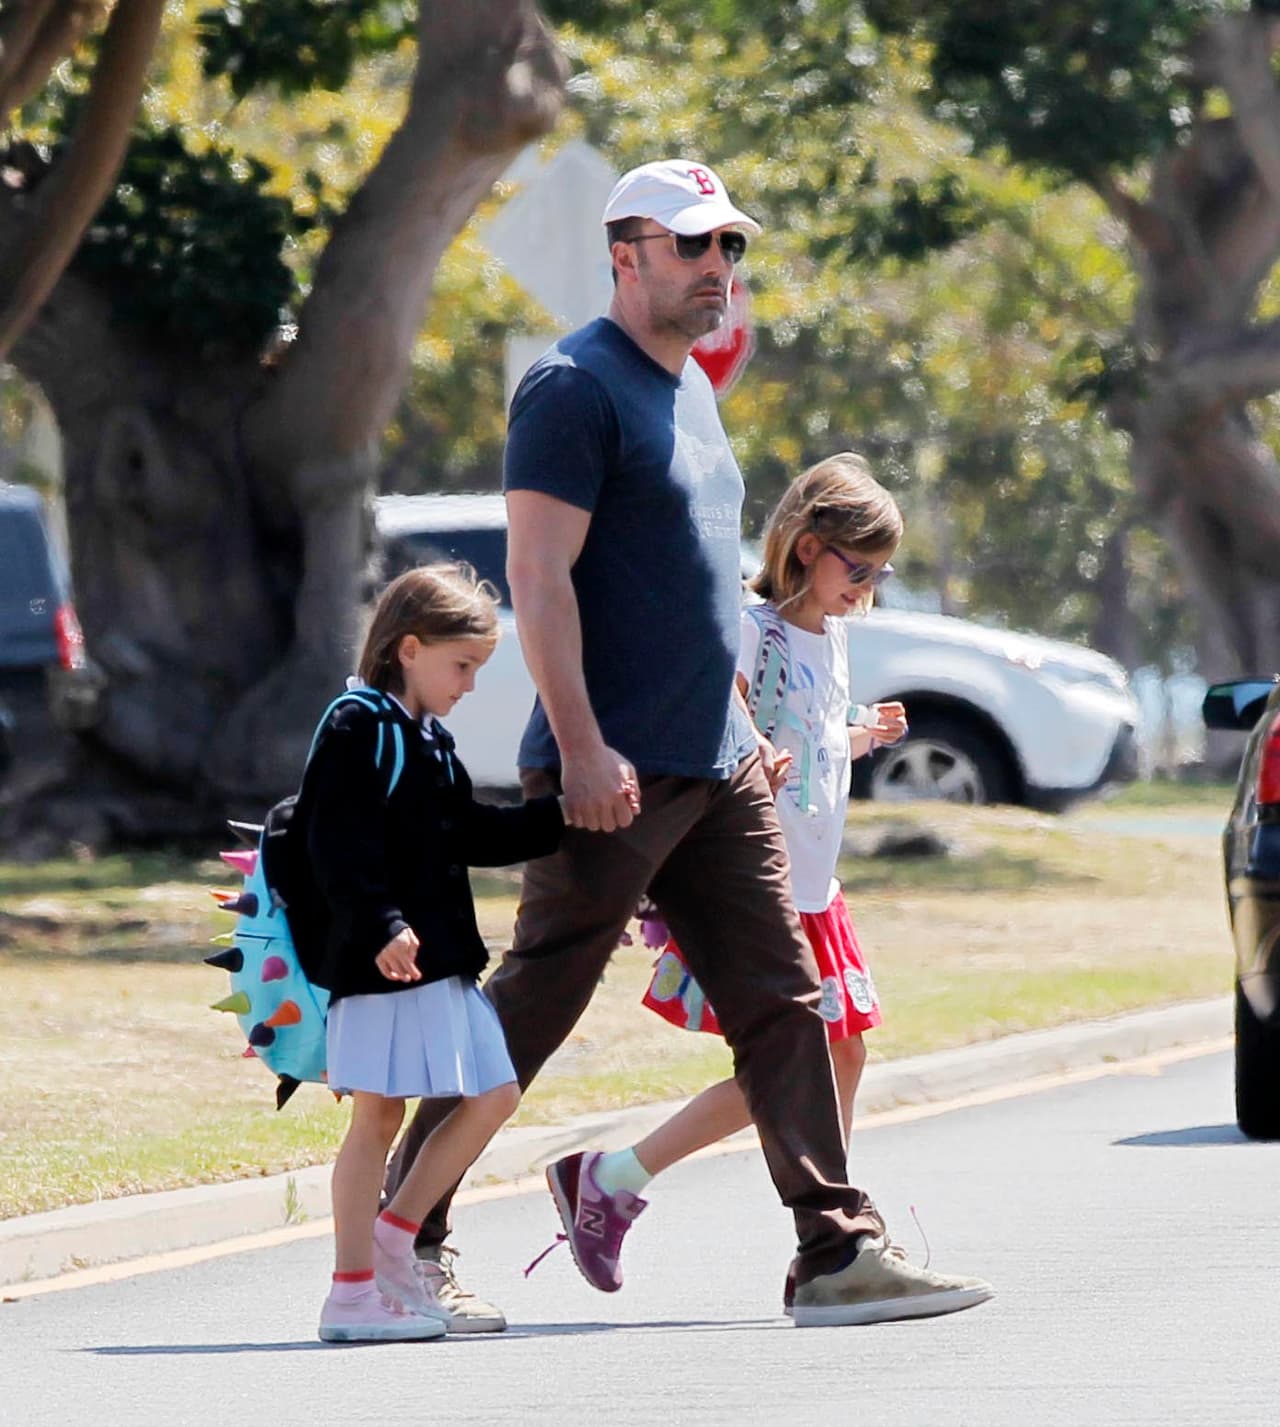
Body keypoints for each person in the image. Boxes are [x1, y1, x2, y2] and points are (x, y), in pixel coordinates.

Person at [385, 159, 992, 1329]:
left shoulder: (693, 392)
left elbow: (702, 588)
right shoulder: (572, 386)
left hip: (716, 767)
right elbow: (538, 579)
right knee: (528, 1012)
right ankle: (400, 1243)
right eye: (692, 246)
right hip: (613, 766)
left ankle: (835, 1250)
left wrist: (744, 729)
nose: (718, 267)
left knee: (785, 1001)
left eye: (730, 247)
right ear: (626, 254)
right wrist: (580, 742)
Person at [562, 452, 907, 1312]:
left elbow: (816, 731)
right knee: (794, 1061)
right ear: (803, 545)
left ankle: (828, 1235)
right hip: (760, 881)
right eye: (853, 567)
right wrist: (752, 744)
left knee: (841, 1051)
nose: (863, 588)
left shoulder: (831, 634)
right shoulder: (755, 626)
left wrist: (861, 734)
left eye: (878, 573)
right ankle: (628, 1180)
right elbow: (721, 705)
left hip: (818, 886)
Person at [305, 564, 564, 1343]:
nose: (470, 685)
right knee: (378, 1118)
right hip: (383, 959)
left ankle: (395, 1236)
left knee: (494, 1091)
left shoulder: (425, 738)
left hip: (440, 961)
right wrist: (381, 923)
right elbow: (333, 841)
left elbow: (473, 831)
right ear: (409, 648)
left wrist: (568, 814)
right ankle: (351, 1295)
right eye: (463, 666)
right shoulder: (357, 725)